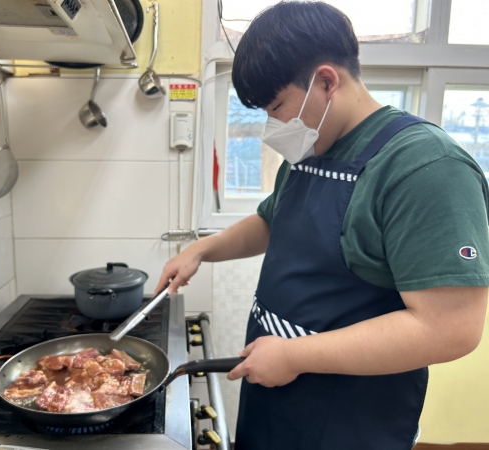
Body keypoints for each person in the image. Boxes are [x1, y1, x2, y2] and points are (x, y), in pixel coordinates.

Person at [156, 2, 489, 449]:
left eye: (277, 106)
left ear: (327, 81)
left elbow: (450, 329)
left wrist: (293, 355)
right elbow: (270, 221)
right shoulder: (312, 148)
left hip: (351, 422)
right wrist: (201, 250)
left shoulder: (426, 166)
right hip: (276, 406)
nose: (273, 125)